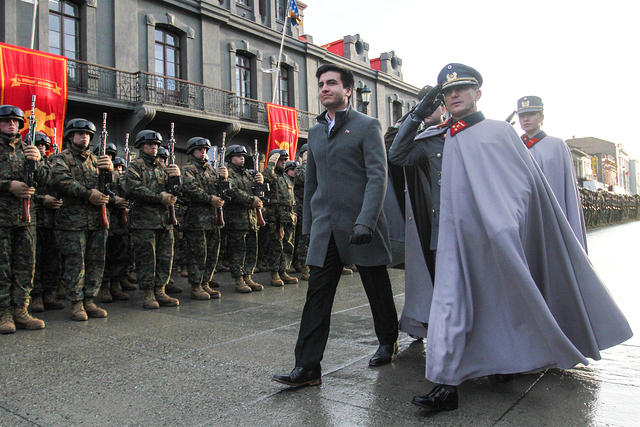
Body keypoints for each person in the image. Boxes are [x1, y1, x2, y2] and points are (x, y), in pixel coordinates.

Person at [411, 63, 632, 412]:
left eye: (460, 90)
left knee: (503, 306)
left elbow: (522, 188)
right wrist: (418, 114)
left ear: (477, 94)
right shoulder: (447, 135)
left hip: (496, 242)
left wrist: (503, 228)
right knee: (450, 307)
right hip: (457, 243)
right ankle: (446, 384)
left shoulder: (499, 132)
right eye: (446, 93)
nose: (453, 95)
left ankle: (504, 364)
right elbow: (399, 155)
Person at [272, 64, 399, 388]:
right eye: (321, 84)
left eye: (331, 83)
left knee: (376, 286)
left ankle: (387, 341)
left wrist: (365, 221)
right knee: (317, 295)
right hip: (325, 228)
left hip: (360, 225)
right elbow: (312, 183)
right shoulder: (314, 132)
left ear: (348, 90)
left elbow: (377, 176)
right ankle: (307, 368)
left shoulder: (367, 126)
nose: (324, 88)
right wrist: (308, 229)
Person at [388, 85, 447, 340]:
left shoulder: (453, 134)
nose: (428, 109)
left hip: (459, 218)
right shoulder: (421, 136)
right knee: (430, 276)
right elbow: (394, 149)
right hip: (425, 213)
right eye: (423, 104)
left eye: (432, 104)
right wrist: (413, 116)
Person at [50, 118, 114, 321]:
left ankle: (89, 300)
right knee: (75, 263)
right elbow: (61, 181)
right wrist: (88, 194)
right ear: (70, 136)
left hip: (96, 220)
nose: (84, 137)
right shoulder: (61, 158)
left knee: (96, 261)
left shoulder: (97, 161)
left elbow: (111, 189)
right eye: (79, 133)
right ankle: (76, 303)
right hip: (72, 222)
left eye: (87, 134)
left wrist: (110, 173)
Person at [517, 96, 587, 250]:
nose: (526, 119)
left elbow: (567, 187)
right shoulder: (515, 146)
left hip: (553, 216)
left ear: (541, 117)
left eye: (531, 114)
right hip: (526, 215)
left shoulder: (557, 145)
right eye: (522, 115)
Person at [0, 105, 46, 333]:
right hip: (2, 217)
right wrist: (8, 186)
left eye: (15, 121)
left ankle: (21, 309)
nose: (11, 124)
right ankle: (4, 312)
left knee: (26, 265)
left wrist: (38, 160)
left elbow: (46, 179)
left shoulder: (26, 148)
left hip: (26, 217)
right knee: (3, 267)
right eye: (7, 120)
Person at [123, 130, 181, 310]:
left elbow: (178, 191)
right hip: (144, 221)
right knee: (147, 258)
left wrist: (177, 178)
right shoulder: (135, 166)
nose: (153, 147)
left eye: (156, 144)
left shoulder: (164, 167)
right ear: (141, 146)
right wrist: (158, 197)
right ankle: (148, 292)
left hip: (164, 220)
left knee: (165, 257)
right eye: (149, 144)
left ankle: (161, 289)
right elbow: (132, 188)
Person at [180, 136, 228, 300]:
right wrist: (209, 199)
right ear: (192, 151)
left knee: (212, 253)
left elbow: (222, 190)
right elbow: (190, 188)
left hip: (213, 218)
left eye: (205, 150)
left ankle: (206, 281)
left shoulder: (211, 170)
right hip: (196, 219)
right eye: (200, 149)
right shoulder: (187, 169)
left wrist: (224, 179)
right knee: (197, 253)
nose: (203, 152)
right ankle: (196, 285)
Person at [31, 131, 65, 313]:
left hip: (53, 220)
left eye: (43, 146)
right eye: (38, 144)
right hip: (34, 218)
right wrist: (42, 199)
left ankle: (49, 294)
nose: (41, 148)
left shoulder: (52, 166)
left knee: (53, 258)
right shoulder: (29, 164)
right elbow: (26, 190)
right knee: (35, 258)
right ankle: (36, 296)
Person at [225, 145, 265, 293]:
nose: (242, 157)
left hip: (251, 219)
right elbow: (232, 191)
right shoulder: (228, 173)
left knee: (251, 249)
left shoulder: (247, 174)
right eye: (237, 155)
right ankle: (239, 279)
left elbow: (258, 192)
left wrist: (260, 181)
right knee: (238, 251)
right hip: (236, 219)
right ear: (230, 158)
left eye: (243, 155)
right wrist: (250, 200)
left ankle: (248, 275)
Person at [263, 149, 298, 287]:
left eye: (285, 160)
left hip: (288, 216)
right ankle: (275, 273)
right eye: (281, 159)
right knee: (276, 246)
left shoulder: (285, 177)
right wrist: (271, 163)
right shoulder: (272, 175)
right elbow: (265, 178)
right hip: (276, 216)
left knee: (288, 245)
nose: (284, 162)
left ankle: (284, 270)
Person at [99, 155, 131, 303]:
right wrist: (114, 200)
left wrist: (126, 204)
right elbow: (102, 192)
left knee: (121, 253)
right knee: (106, 254)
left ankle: (116, 284)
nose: (118, 170)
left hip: (120, 221)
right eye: (116, 167)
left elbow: (129, 191)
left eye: (121, 168)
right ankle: (105, 286)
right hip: (107, 218)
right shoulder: (104, 174)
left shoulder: (122, 179)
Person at [292, 145, 310, 280]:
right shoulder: (300, 169)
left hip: (313, 208)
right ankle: (303, 264)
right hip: (302, 208)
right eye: (306, 154)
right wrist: (305, 163)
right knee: (303, 238)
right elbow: (306, 178)